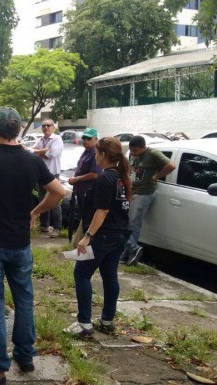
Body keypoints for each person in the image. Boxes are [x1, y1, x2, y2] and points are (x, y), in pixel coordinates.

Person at [0, 107, 65, 383]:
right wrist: (36, 212)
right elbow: (59, 192)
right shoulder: (32, 160)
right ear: (18, 130)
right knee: (24, 299)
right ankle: (25, 355)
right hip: (20, 242)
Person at [65, 137, 132, 337]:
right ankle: (107, 319)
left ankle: (84, 323)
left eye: (97, 153)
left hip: (102, 235)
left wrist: (87, 236)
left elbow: (101, 211)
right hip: (119, 234)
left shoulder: (105, 178)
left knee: (82, 274)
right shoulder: (121, 177)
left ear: (103, 154)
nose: (95, 156)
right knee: (109, 275)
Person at [121, 135, 175, 265]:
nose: (133, 154)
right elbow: (129, 171)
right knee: (127, 222)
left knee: (133, 224)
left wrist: (157, 176)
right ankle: (128, 251)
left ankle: (132, 250)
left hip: (144, 193)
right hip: (133, 191)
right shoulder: (133, 156)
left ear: (143, 147)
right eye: (131, 151)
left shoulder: (153, 153)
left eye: (135, 151)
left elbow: (171, 165)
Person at [32, 119, 64, 238]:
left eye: (48, 125)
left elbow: (51, 155)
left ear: (53, 127)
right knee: (42, 200)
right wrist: (42, 151)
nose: (46, 127)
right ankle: (44, 225)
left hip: (52, 174)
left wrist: (39, 152)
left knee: (54, 201)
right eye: (44, 126)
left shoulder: (57, 139)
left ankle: (57, 227)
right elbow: (31, 152)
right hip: (41, 174)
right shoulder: (40, 140)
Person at [68, 128, 102, 221]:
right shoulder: (86, 151)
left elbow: (94, 174)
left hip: (89, 192)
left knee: (87, 219)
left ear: (95, 139)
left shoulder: (95, 153)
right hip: (81, 191)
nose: (85, 141)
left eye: (89, 139)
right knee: (83, 218)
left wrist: (76, 179)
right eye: (84, 138)